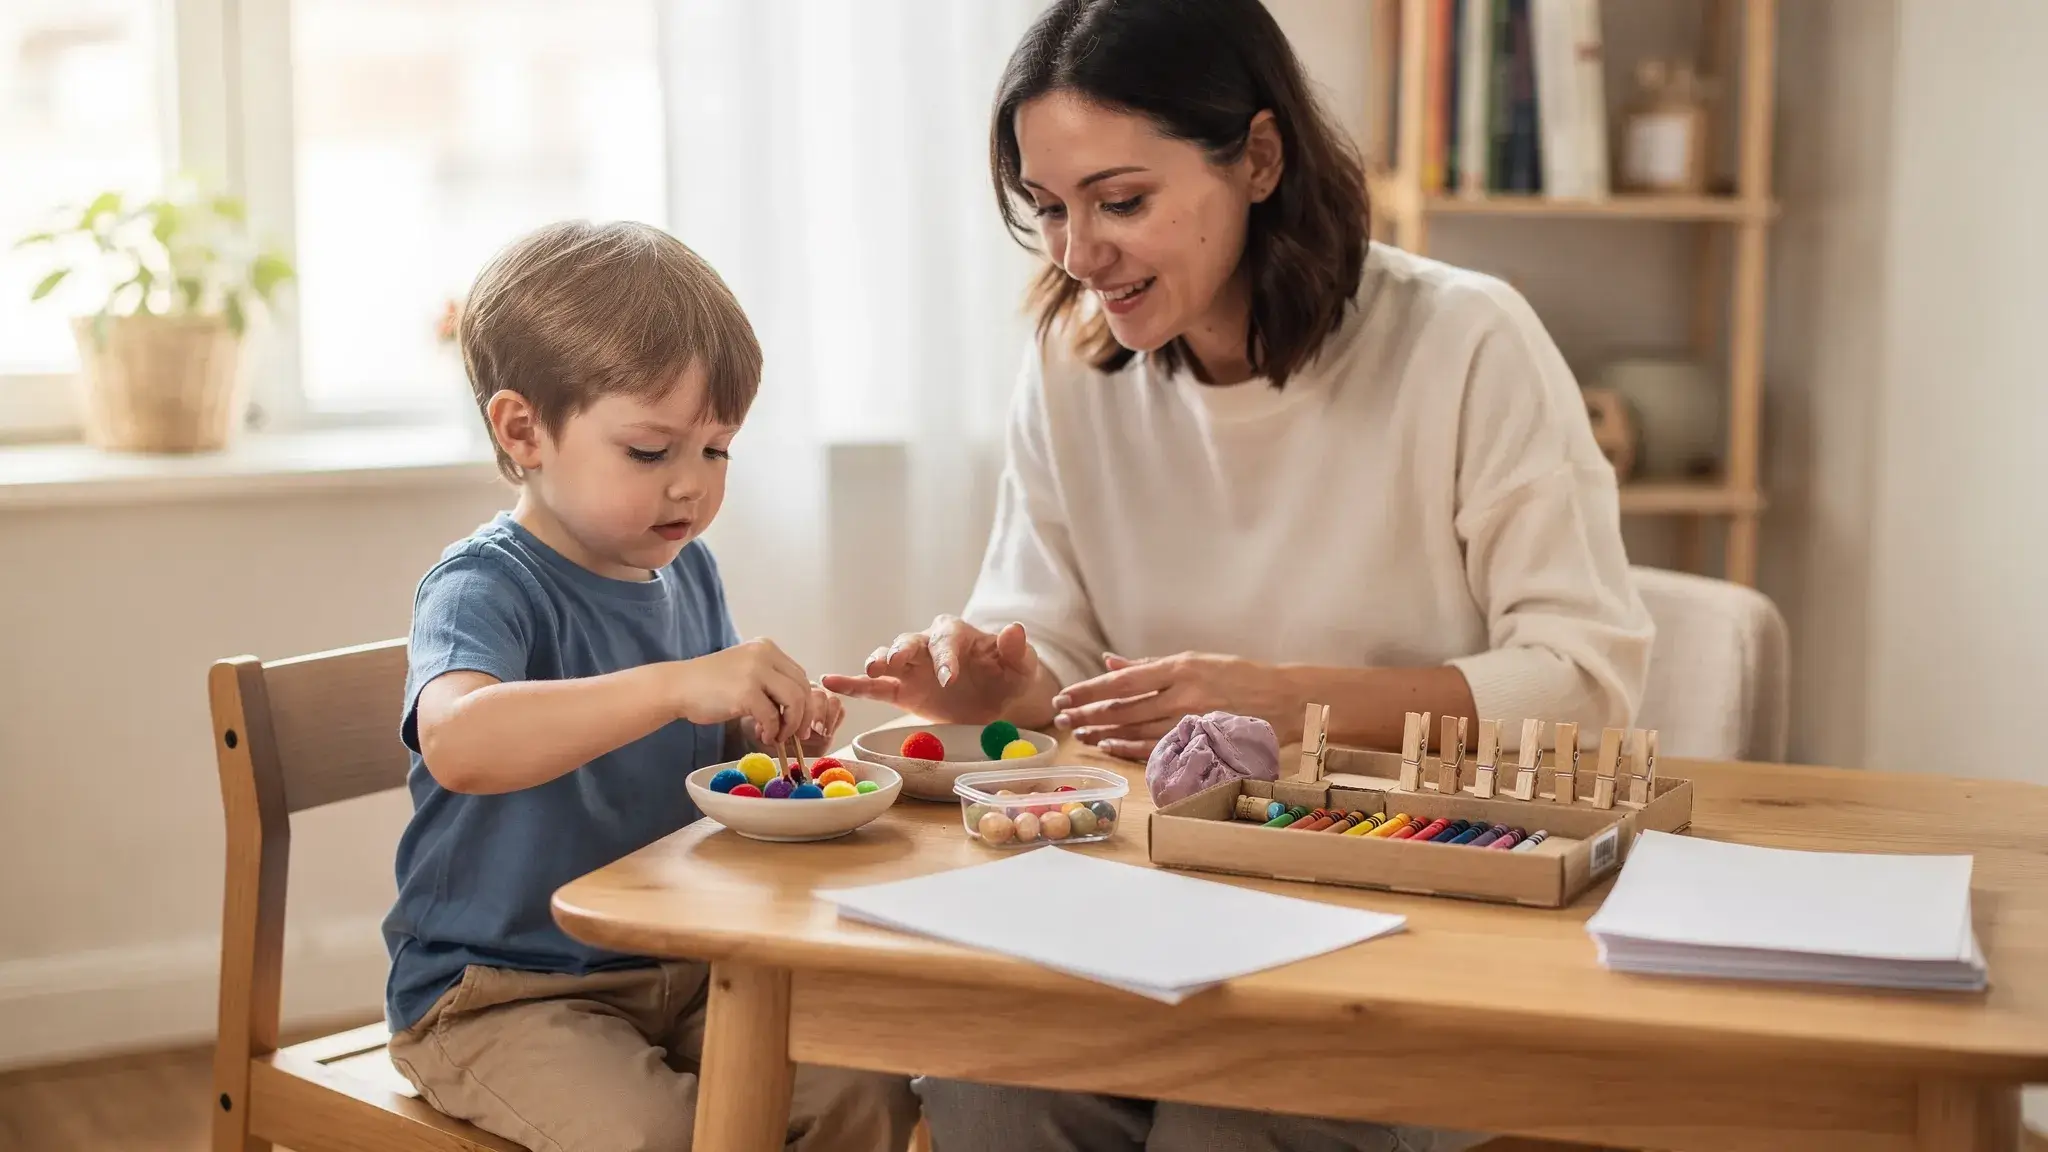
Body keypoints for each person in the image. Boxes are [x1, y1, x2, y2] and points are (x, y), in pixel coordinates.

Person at [822, 0, 1651, 1148]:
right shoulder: (1071, 369)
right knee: (983, 1078)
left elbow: (1583, 682)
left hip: (1407, 900)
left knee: (1225, 1117)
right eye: (1048, 208)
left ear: (1257, 157)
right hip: (1157, 893)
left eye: (1120, 201)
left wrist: (1283, 701)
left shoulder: (1463, 343)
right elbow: (1053, 662)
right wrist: (984, 686)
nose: (1076, 253)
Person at [380, 220, 920, 1152]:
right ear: (524, 430)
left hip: (682, 967)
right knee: (664, 1140)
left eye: (716, 451)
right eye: (650, 451)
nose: (691, 489)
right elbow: (462, 742)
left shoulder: (687, 573)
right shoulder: (484, 586)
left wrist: (776, 746)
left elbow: (701, 771)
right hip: (501, 994)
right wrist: (678, 686)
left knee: (865, 1087)